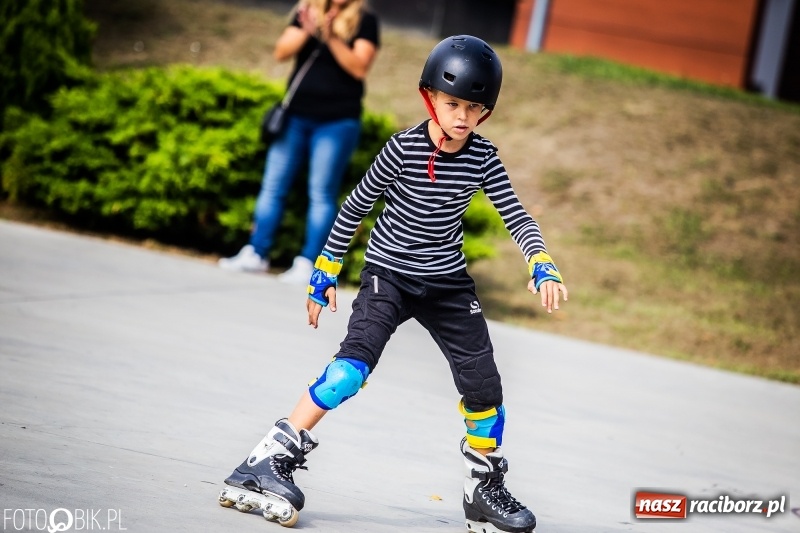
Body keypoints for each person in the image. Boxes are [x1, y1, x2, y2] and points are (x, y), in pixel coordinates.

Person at [222, 35, 569, 533]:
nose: (462, 117)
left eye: (475, 108)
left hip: (448, 285)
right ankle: (267, 459)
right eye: (453, 104)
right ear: (430, 97)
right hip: (389, 276)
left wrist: (540, 260)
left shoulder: (483, 157)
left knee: (485, 388)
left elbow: (516, 215)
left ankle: (483, 489)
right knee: (349, 372)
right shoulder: (402, 148)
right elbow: (355, 206)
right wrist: (325, 270)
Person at [218, 0, 380, 284]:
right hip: (295, 117)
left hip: (337, 121)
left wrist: (330, 36)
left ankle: (308, 263)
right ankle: (256, 254)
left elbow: (359, 67)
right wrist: (310, 29)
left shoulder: (364, 20)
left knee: (321, 193)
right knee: (273, 186)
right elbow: (281, 51)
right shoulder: (307, 10)